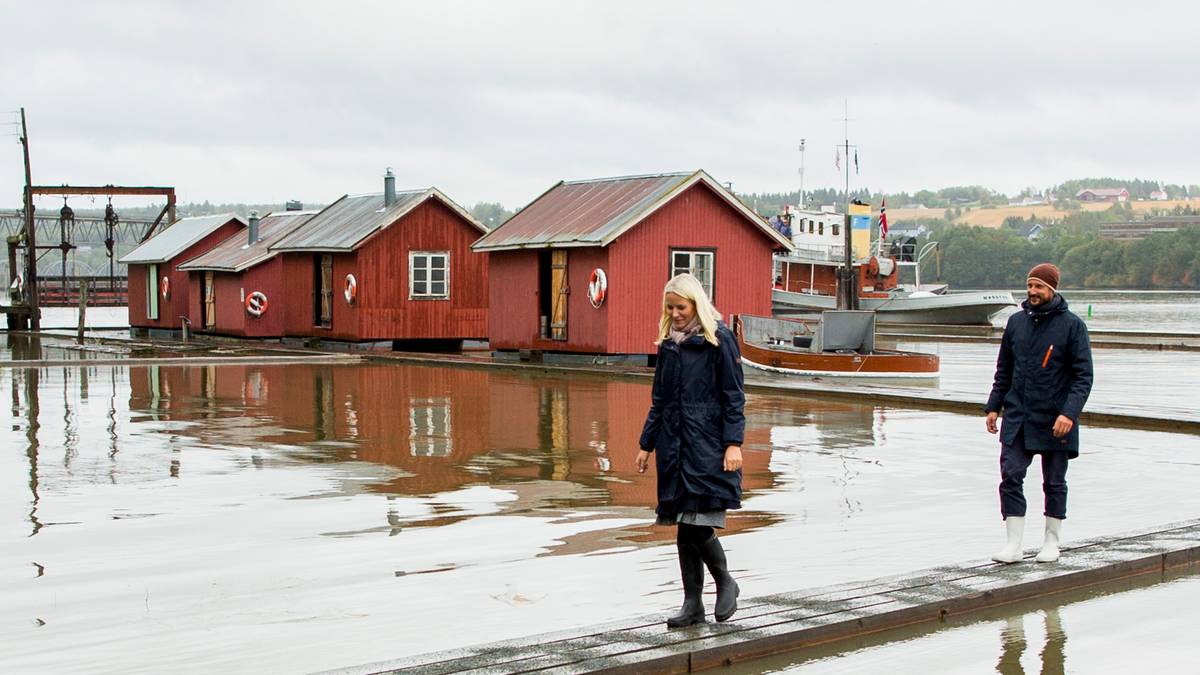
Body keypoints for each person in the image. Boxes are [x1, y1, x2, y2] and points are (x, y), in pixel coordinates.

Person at [636, 273, 744, 627]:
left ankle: (725, 580)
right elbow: (660, 399)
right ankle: (692, 605)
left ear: (695, 303)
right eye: (670, 307)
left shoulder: (720, 340)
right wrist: (646, 444)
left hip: (708, 444)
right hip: (673, 445)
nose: (675, 313)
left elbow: (733, 396)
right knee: (684, 526)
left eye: (680, 306)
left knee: (697, 526)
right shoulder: (668, 344)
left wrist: (733, 443)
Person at [985, 263, 1093, 564]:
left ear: (1052, 290)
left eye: (1039, 287)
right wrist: (994, 406)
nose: (1032, 291)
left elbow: (1083, 377)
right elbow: (1004, 369)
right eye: (1030, 285)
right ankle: (1014, 544)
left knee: (1054, 483)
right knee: (1010, 475)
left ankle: (1051, 542)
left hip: (1056, 419)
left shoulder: (1073, 326)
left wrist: (1069, 414)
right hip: (1018, 415)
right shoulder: (1016, 323)